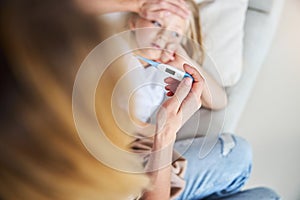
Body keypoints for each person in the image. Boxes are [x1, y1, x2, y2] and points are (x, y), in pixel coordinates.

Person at [97, 0, 281, 199]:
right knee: (241, 159)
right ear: (134, 23)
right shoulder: (113, 48)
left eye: (175, 33)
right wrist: (156, 130)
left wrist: (188, 62)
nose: (163, 36)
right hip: (114, 145)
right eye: (157, 23)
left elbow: (219, 101)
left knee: (266, 192)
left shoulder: (163, 71)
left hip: (139, 150)